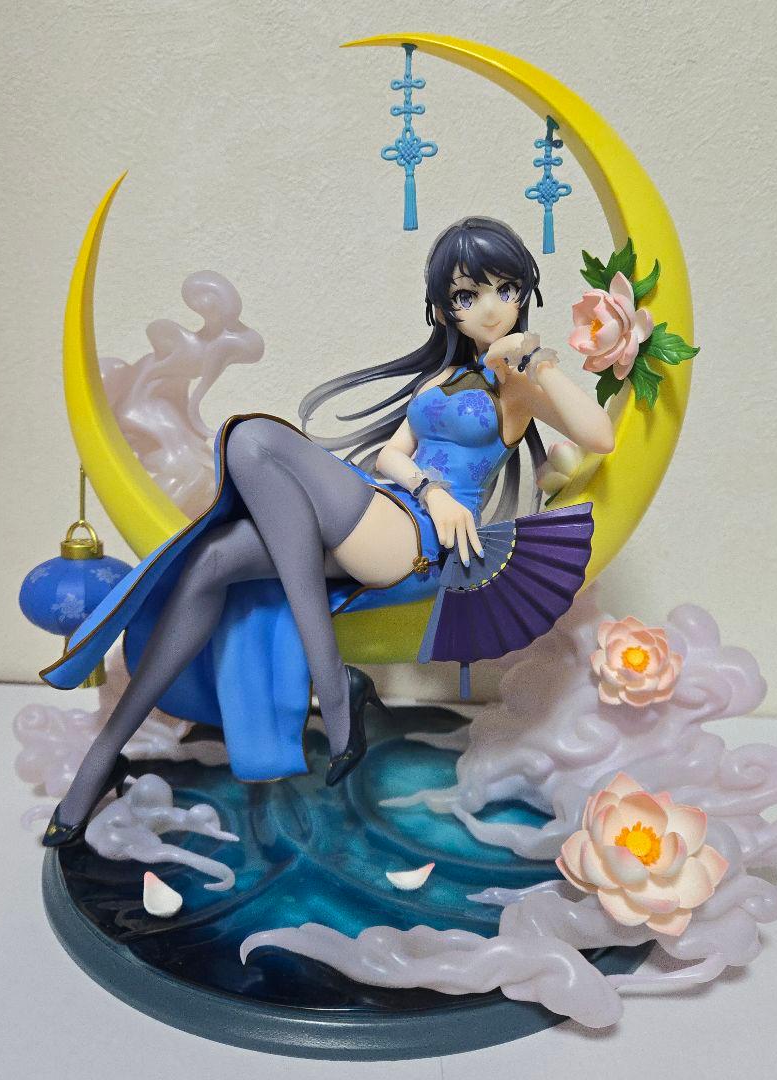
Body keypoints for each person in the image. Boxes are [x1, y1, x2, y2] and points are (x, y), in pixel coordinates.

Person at [40, 216, 614, 846]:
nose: (491, 308)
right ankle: (103, 758)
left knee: (252, 438)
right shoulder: (441, 380)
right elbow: (392, 455)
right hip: (393, 505)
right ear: (443, 309)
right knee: (209, 562)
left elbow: (600, 435)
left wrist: (539, 360)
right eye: (467, 295)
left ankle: (333, 690)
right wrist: (430, 487)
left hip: (420, 544)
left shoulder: (518, 389)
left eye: (507, 290)